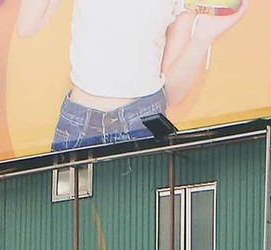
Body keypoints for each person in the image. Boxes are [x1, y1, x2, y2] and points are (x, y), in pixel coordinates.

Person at [17, 0, 246, 150]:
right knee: (68, 220)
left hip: (143, 121)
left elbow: (171, 93)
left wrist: (201, 39)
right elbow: (26, 26)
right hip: (79, 123)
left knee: (145, 219)